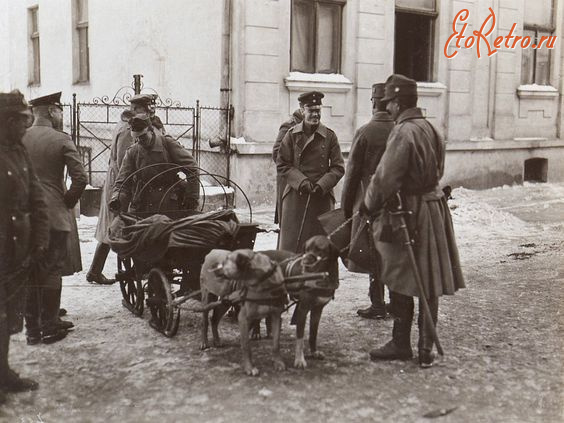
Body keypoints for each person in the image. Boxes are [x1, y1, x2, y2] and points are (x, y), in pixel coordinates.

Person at [362, 74, 465, 368]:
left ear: (398, 102)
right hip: (434, 209)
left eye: (389, 103)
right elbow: (439, 168)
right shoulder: (432, 129)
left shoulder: (403, 132)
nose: (387, 109)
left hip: (407, 213)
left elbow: (385, 178)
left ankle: (400, 342)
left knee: (399, 274)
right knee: (428, 280)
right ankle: (425, 348)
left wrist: (368, 205)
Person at [22, 91, 87, 345]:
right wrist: (66, 202)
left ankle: (33, 329)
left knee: (30, 270)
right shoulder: (61, 139)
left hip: (25, 217)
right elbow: (80, 179)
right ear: (51, 111)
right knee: (51, 269)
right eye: (59, 110)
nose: (61, 114)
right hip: (53, 216)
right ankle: (49, 326)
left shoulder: (18, 138)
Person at [0, 90, 49, 399]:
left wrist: (40, 238)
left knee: (7, 315)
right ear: (7, 121)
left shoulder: (18, 151)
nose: (26, 128)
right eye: (21, 121)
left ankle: (3, 372)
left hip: (18, 248)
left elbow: (37, 196)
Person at [87, 94, 161, 284]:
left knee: (112, 226)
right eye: (147, 110)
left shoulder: (124, 123)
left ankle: (95, 270)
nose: (149, 114)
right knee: (119, 225)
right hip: (120, 185)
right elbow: (124, 162)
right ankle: (131, 268)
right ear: (139, 109)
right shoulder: (130, 128)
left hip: (117, 181)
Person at [341, 83, 394, 320]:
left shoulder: (364, 132)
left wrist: (346, 206)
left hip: (368, 202)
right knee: (392, 251)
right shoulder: (400, 129)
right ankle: (396, 302)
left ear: (373, 103)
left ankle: (377, 303)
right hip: (395, 203)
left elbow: (351, 174)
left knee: (373, 253)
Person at [276, 91, 345, 255]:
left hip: (321, 199)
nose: (315, 114)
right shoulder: (291, 135)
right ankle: (292, 278)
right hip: (295, 198)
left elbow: (338, 167)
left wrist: (322, 185)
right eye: (311, 110)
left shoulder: (330, 136)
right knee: (292, 247)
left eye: (318, 110)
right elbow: (282, 163)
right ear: (302, 109)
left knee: (320, 248)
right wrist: (301, 182)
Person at [272, 108, 303, 227]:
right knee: (288, 222)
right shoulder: (288, 126)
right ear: (302, 109)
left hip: (303, 182)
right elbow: (276, 153)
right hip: (288, 181)